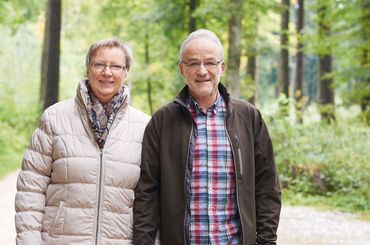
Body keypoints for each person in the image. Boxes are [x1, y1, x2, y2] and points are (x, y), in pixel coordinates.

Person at [133, 29, 281, 245]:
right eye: (193, 63)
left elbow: (267, 187)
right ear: (182, 69)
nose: (202, 71)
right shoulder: (162, 121)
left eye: (210, 63)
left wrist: (266, 242)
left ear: (222, 67)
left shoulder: (248, 117)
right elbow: (147, 193)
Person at [15, 37, 150, 244]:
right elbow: (31, 188)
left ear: (125, 72)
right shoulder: (54, 118)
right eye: (99, 64)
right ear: (88, 69)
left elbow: (151, 199)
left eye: (115, 66)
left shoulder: (144, 127)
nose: (107, 72)